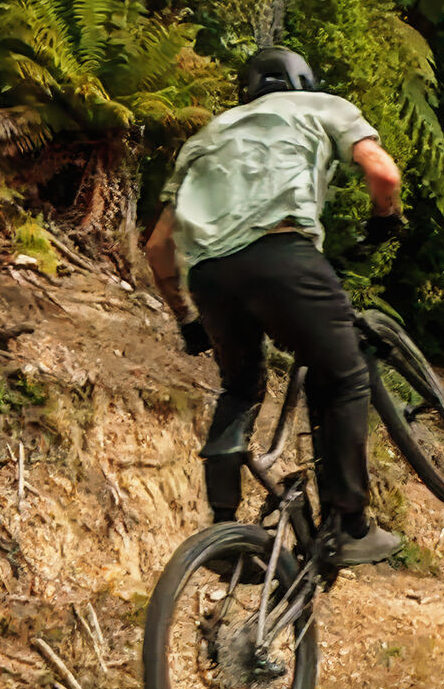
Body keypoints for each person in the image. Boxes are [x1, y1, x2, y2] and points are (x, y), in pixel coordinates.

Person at [144, 47, 405, 567]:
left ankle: (222, 524)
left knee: (240, 387)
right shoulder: (324, 106)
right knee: (347, 374)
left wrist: (187, 319)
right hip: (283, 256)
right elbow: (384, 174)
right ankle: (350, 523)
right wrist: (384, 219)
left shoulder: (206, 137)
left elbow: (156, 247)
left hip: (211, 276)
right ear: (304, 80)